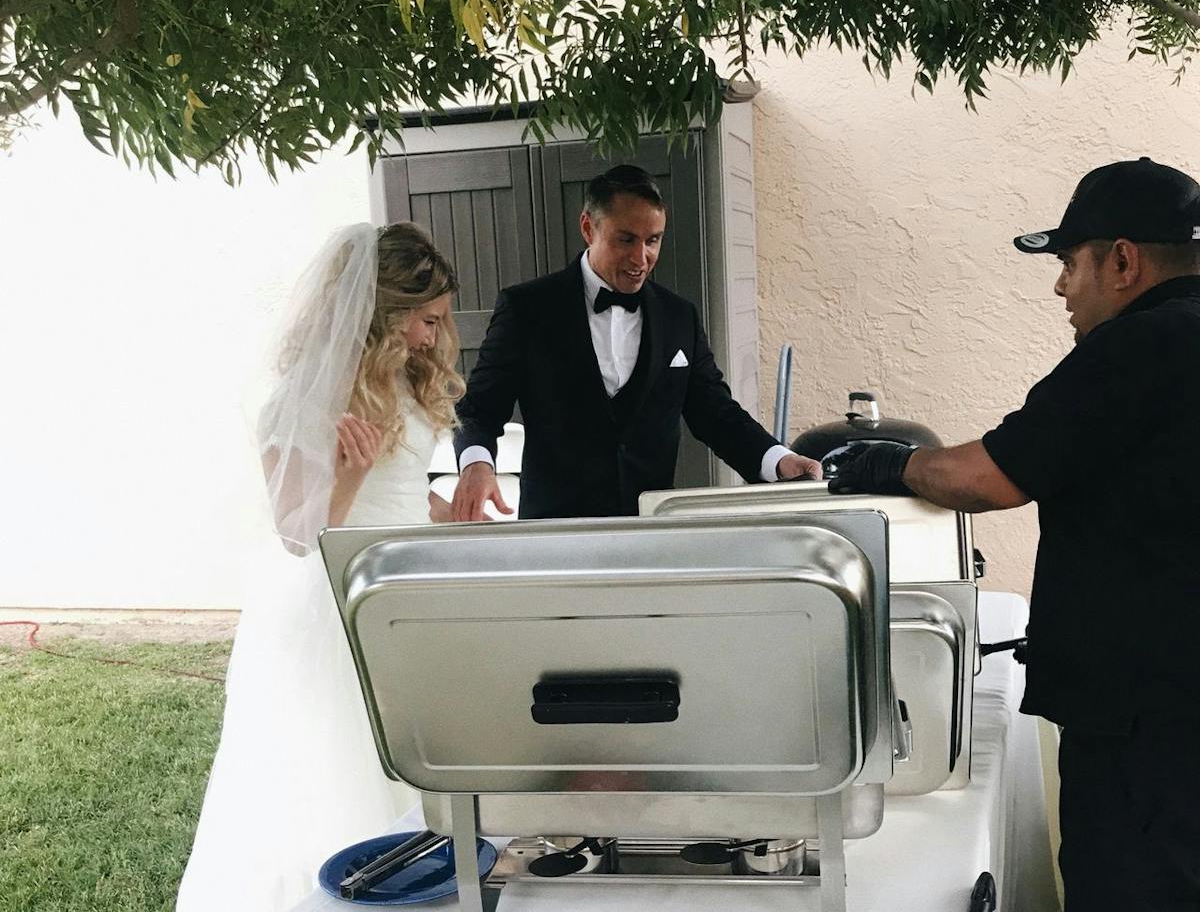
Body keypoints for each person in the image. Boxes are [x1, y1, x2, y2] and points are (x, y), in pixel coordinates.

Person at [827, 157, 1200, 912]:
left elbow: (988, 476)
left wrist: (890, 464)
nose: (1061, 285)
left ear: (1122, 260)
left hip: (1145, 732)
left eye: (1069, 262)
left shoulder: (1136, 347)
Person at [176, 222, 464, 911]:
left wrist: (449, 511)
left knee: (416, 768)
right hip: (333, 605)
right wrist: (348, 477)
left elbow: (403, 486)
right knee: (342, 775)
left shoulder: (404, 379)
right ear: (385, 313)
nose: (433, 336)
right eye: (426, 319)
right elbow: (295, 533)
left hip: (403, 590)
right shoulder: (298, 399)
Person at [451, 163, 821, 522]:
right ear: (588, 228)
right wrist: (478, 465)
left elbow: (715, 413)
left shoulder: (680, 317)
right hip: (556, 529)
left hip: (650, 528)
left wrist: (778, 459)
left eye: (653, 241)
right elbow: (478, 408)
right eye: (625, 239)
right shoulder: (527, 309)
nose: (641, 258)